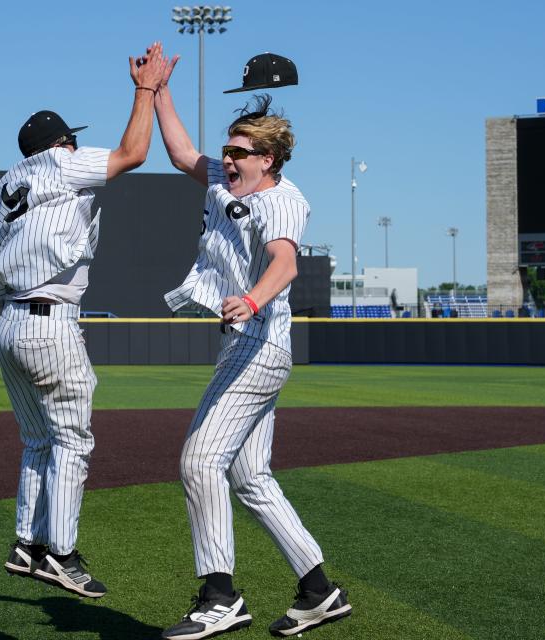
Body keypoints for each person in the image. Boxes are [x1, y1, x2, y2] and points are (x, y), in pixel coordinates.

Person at [152, 54, 352, 639]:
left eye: (240, 152)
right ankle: (319, 590)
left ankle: (220, 597)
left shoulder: (281, 200)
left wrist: (255, 298)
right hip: (248, 343)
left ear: (269, 160)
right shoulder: (225, 178)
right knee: (251, 477)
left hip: (260, 344)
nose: (229, 159)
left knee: (199, 460)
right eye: (230, 150)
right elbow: (183, 155)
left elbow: (285, 261)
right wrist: (158, 91)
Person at [0, 43, 167, 599]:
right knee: (73, 440)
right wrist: (145, 90)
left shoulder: (3, 186)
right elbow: (132, 153)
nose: (78, 144)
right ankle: (60, 551)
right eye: (71, 138)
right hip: (49, 319)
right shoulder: (62, 164)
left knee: (37, 440)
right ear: (59, 144)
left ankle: (26, 542)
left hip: (8, 324)